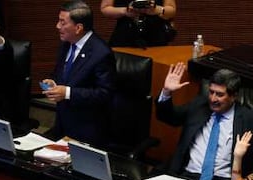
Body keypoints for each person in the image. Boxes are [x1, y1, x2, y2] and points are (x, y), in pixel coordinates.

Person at [156, 64, 253, 180]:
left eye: (219, 94)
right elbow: (169, 117)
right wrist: (167, 91)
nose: (213, 99)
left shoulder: (250, 119)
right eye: (211, 92)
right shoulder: (198, 106)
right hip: (187, 176)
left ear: (234, 96)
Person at [42, 1, 116, 147]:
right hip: (63, 125)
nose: (57, 26)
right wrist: (53, 82)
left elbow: (104, 94)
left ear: (78, 28)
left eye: (63, 23)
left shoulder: (101, 54)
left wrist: (68, 93)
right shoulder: (67, 43)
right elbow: (61, 73)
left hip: (87, 131)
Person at [101, 0, 177, 47]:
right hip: (124, 37)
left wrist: (157, 10)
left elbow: (172, 11)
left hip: (156, 37)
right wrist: (124, 11)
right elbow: (105, 8)